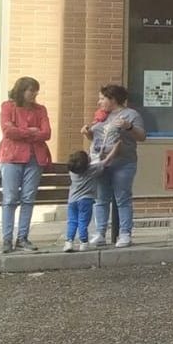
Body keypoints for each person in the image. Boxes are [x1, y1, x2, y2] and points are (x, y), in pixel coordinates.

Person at [85, 84, 145, 249]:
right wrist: (88, 133)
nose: (99, 102)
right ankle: (100, 233)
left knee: (122, 198)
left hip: (123, 162)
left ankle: (125, 233)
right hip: (101, 163)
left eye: (102, 98)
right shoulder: (102, 116)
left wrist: (129, 127)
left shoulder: (131, 115)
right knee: (101, 199)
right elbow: (97, 138)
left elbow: (141, 137)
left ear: (112, 99)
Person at [0, 76, 52, 253]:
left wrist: (23, 133)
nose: (34, 94)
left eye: (36, 90)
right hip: (11, 157)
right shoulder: (8, 106)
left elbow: (46, 133)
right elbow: (8, 131)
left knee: (28, 198)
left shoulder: (40, 109)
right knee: (10, 198)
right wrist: (30, 131)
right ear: (21, 90)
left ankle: (22, 237)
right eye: (30, 90)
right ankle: (7, 239)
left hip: (34, 158)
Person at [63, 146, 116, 252]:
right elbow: (107, 161)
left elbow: (89, 163)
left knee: (72, 221)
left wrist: (95, 157)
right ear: (86, 163)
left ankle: (69, 242)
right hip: (85, 200)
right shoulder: (91, 170)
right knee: (83, 221)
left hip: (72, 200)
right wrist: (116, 147)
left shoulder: (73, 171)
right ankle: (84, 242)